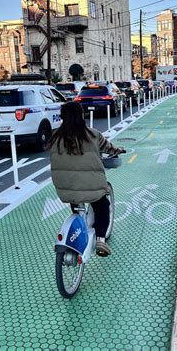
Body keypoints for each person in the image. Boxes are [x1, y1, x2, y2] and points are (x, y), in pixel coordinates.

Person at [47, 101, 124, 257]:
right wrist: (119, 150)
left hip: (65, 188)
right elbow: (109, 148)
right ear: (82, 116)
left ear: (62, 117)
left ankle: (78, 228)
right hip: (92, 186)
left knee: (76, 200)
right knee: (102, 206)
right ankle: (101, 239)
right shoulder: (93, 134)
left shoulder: (55, 136)